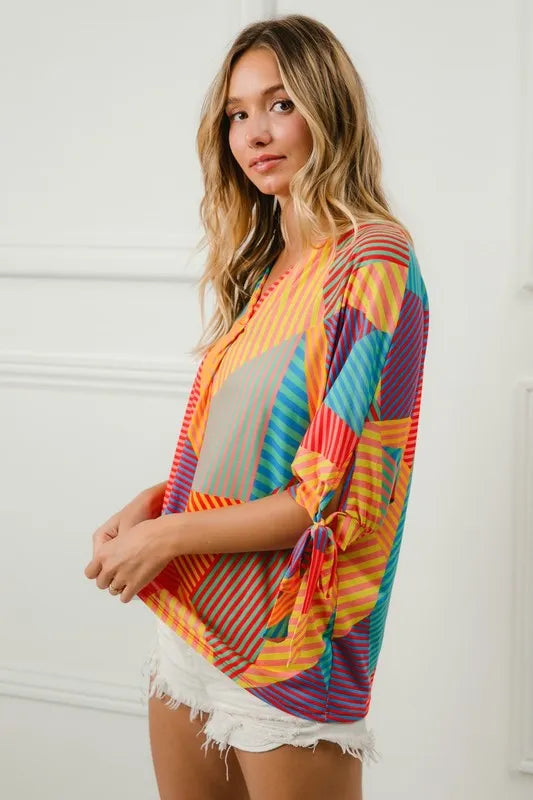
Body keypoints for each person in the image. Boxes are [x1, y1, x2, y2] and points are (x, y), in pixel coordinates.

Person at [84, 13, 430, 800]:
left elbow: (322, 497)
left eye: (278, 104)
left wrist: (167, 534)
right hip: (193, 627)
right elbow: (234, 456)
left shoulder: (370, 257)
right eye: (237, 114)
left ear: (327, 106)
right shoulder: (271, 272)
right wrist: (146, 510)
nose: (254, 132)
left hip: (290, 644)